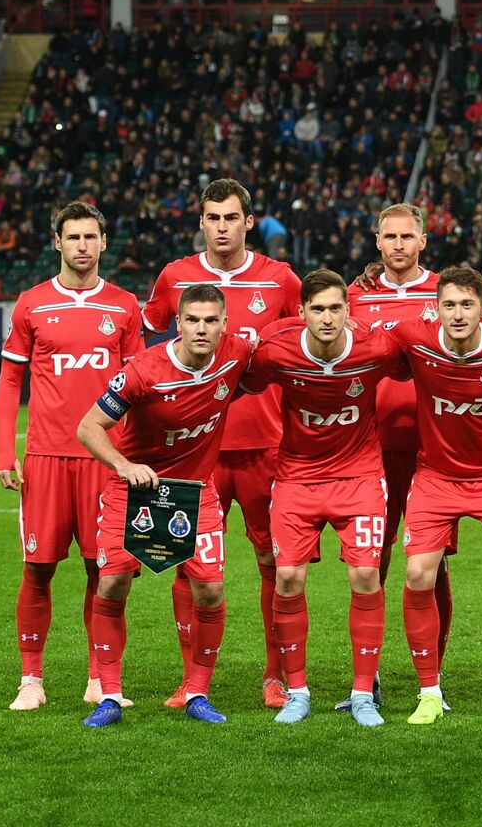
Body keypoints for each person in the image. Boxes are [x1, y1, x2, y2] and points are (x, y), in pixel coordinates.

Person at [142, 178, 302, 711]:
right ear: (201, 223)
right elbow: (147, 346)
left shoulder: (279, 281)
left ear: (248, 222)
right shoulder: (175, 277)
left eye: (231, 218)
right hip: (185, 455)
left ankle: (274, 674)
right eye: (213, 219)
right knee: (182, 562)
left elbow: (305, 344)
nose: (221, 228)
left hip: (264, 445)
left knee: (271, 564)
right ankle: (192, 681)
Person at [76, 283, 252, 727]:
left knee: (209, 588)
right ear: (178, 323)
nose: (202, 328)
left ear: (225, 325)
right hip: (134, 491)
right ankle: (110, 697)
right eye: (192, 320)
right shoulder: (142, 370)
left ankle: (197, 692)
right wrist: (123, 463)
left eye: (211, 320)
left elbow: (290, 338)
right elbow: (89, 427)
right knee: (112, 583)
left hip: (195, 491)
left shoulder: (237, 354)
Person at [0, 201, 145, 711]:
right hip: (45, 459)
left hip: (106, 461)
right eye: (72, 237)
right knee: (38, 569)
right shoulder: (31, 304)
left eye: (90, 237)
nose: (82, 245)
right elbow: (10, 380)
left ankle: (101, 677)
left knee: (103, 572)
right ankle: (31, 680)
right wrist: (3, 452)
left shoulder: (125, 306)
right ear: (56, 242)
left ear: (104, 242)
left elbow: (139, 386)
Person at [242, 270, 408, 728]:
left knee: (365, 576)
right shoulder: (279, 353)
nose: (328, 317)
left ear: (348, 311)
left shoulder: (375, 349)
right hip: (297, 479)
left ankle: (362, 694)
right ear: (301, 314)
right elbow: (243, 379)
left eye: (336, 308)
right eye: (318, 309)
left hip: (359, 477)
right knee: (288, 578)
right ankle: (297, 691)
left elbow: (417, 361)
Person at [380, 267, 482, 726]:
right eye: (449, 305)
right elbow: (370, 342)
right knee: (416, 575)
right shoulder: (414, 336)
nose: (457, 314)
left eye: (466, 305)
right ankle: (429, 691)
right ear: (435, 308)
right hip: (436, 476)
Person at [345, 203, 455, 710]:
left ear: (423, 241)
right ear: (377, 241)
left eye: (407, 236)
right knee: (375, 562)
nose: (397, 245)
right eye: (388, 236)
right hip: (371, 448)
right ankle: (371, 678)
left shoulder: (445, 294)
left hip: (438, 447)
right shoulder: (354, 297)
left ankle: (433, 669)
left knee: (434, 567)